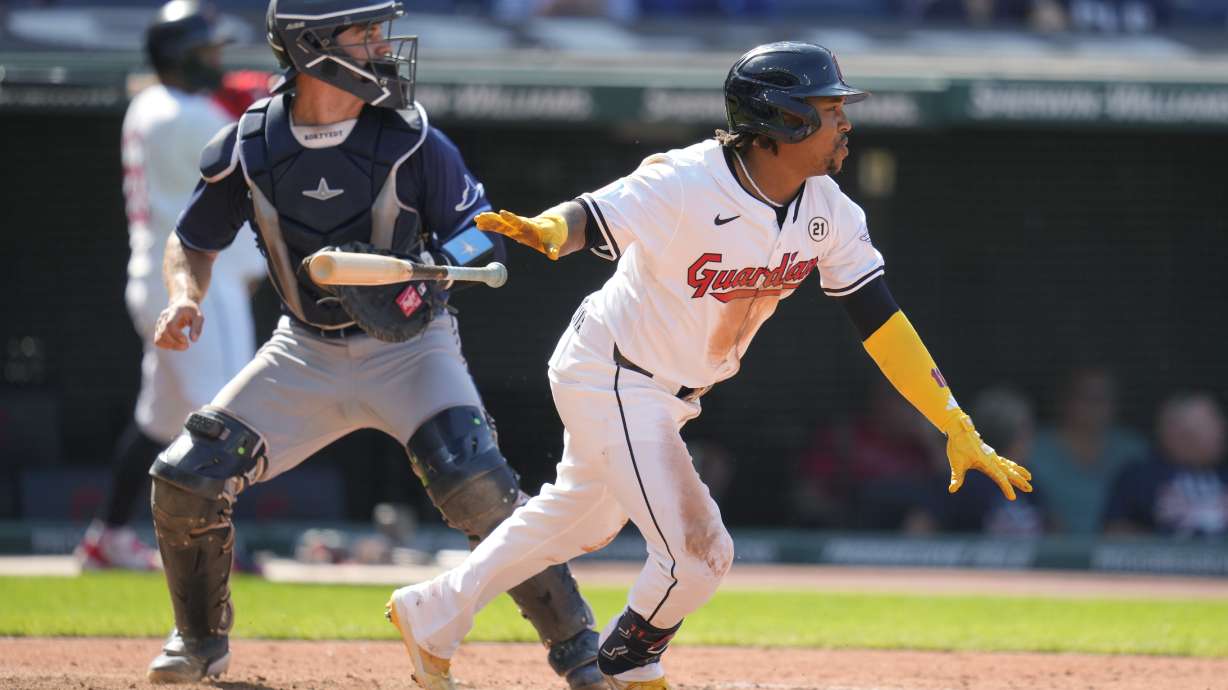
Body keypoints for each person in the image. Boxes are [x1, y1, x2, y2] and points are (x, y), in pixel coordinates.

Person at [385, 42, 1032, 690]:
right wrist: (551, 231)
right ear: (784, 121)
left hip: (666, 393)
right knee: (701, 554)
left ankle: (433, 611)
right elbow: (587, 216)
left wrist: (951, 419)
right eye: (830, 109)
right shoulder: (686, 180)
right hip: (611, 373)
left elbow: (881, 320)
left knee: (579, 522)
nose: (846, 123)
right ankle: (626, 666)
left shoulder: (828, 211)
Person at [142, 1, 604, 687]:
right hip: (303, 350)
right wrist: (185, 294)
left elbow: (478, 233)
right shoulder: (250, 144)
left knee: (474, 483)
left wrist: (421, 285)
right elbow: (192, 241)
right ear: (312, 48)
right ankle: (198, 644)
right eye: (362, 35)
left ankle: (580, 651)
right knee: (186, 477)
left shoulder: (413, 139)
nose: (380, 47)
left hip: (413, 348)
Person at [75, 0, 266, 572]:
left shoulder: (151, 104)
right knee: (228, 416)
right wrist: (271, 95)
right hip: (191, 289)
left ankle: (105, 536)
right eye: (207, 52)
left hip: (174, 282)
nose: (216, 61)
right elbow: (260, 144)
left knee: (159, 422)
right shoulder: (182, 117)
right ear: (180, 56)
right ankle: (214, 545)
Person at [1027, 365, 1146, 534]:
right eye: (1086, 397)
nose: (1095, 406)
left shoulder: (1132, 450)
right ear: (1065, 400)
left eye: (1103, 398)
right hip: (1049, 552)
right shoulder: (1034, 448)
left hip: (1115, 554)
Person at [1103, 392, 1228, 537]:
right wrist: (1165, 549)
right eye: (1210, 426)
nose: (1221, 434)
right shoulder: (1140, 476)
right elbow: (1113, 534)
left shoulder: (1224, 474)